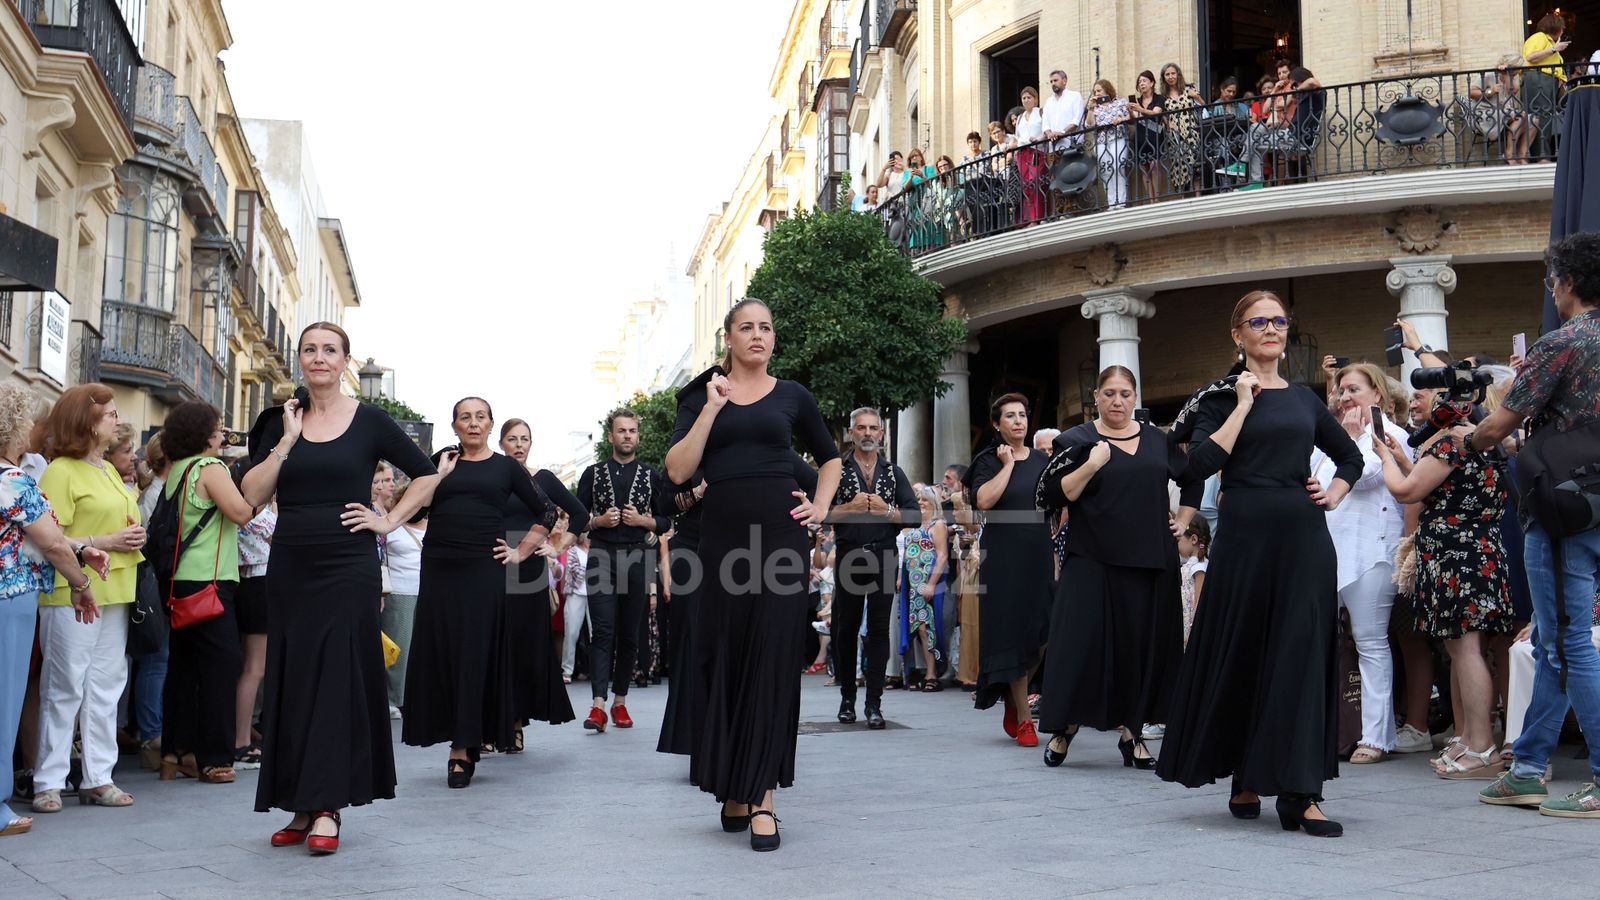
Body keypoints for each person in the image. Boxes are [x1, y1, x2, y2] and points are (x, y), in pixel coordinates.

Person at [1157, 290, 1362, 838]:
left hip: (1302, 535)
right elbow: (1196, 465)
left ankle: (1303, 792)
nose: (1271, 328)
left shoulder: (1303, 399)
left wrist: (1335, 493)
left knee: (1301, 652)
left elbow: (1351, 456)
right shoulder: (1220, 398)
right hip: (1245, 533)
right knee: (1245, 649)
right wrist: (1243, 404)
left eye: (1279, 320)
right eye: (1259, 321)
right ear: (1238, 335)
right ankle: (1245, 773)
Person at [242, 322, 441, 855]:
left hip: (348, 564)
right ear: (300, 360)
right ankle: (300, 803)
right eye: (310, 350)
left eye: (330, 350)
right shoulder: (279, 419)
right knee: (295, 677)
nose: (319, 358)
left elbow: (425, 475)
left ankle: (328, 804)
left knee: (335, 677)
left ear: (345, 361)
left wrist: (387, 520)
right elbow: (250, 496)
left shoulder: (370, 420)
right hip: (290, 565)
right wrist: (286, 441)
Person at [665, 297, 841, 852]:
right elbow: (676, 470)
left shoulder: (793, 395)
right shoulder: (702, 397)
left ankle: (762, 795)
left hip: (782, 545)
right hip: (720, 548)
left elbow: (829, 458)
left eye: (765, 327)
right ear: (729, 338)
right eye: (747, 327)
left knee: (770, 661)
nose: (758, 336)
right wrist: (714, 408)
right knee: (725, 659)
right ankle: (732, 788)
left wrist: (820, 508)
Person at [1474, 232, 1600, 817]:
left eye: (1553, 279)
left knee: (1569, 642)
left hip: (1563, 508)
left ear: (1569, 283)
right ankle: (1526, 768)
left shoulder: (1565, 340)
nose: (1552, 288)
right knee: (1554, 643)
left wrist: (1466, 438)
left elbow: (1498, 426)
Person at [1037, 366, 1196, 770]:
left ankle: (1133, 733)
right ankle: (1065, 727)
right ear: (1096, 396)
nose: (1117, 402)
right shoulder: (1075, 440)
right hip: (1091, 558)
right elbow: (1056, 494)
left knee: (1139, 648)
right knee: (1079, 645)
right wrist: (1092, 463)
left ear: (1135, 396)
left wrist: (1184, 516)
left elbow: (1193, 474)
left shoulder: (1158, 441)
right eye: (1109, 393)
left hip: (1149, 559)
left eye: (1125, 394)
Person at [402, 399, 552, 787]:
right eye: (465, 417)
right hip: (439, 568)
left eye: (480, 417)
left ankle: (462, 746)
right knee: (444, 652)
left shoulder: (505, 468)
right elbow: (416, 511)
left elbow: (546, 512)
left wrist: (520, 552)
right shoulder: (441, 461)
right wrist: (437, 475)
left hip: (483, 570)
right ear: (454, 425)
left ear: (490, 425)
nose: (473, 423)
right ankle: (461, 736)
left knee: (473, 652)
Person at [1373, 391, 1513, 779]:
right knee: (1472, 649)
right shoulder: (1492, 446)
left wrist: (1383, 457)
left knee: (1465, 649)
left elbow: (1406, 491)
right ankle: (1473, 741)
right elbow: (1447, 486)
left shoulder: (1451, 446)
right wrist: (1403, 459)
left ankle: (1481, 746)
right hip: (1483, 550)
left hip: (1454, 555)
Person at [31, 383, 147, 814]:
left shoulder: (109, 471)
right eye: (110, 413)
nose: (116, 419)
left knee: (105, 686)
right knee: (64, 685)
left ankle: (99, 776)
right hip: (71, 588)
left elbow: (119, 527)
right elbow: (46, 539)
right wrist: (109, 538)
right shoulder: (60, 470)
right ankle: (48, 779)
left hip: (116, 588)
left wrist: (131, 536)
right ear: (87, 420)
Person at [1, 384, 110, 837]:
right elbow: (48, 542)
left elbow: (52, 540)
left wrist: (81, 549)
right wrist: (81, 583)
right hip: (11, 598)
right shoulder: (14, 480)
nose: (31, 428)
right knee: (6, 701)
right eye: (25, 421)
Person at [1313, 363, 1411, 765]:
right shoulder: (1327, 440)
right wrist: (1344, 439)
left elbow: (1368, 477)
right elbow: (1314, 480)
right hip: (1328, 551)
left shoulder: (1392, 435)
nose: (1344, 397)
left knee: (1370, 643)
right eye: (1340, 391)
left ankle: (1376, 737)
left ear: (1378, 395)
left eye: (1353, 389)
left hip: (1371, 553)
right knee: (1323, 644)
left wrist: (1353, 439)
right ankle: (1329, 730)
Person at [156, 401, 256, 785]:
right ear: (205, 433)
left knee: (184, 667)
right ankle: (215, 757)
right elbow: (241, 513)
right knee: (220, 667)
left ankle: (174, 752)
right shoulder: (210, 468)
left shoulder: (177, 469)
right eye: (218, 426)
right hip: (210, 581)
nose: (222, 431)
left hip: (179, 581)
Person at [965, 392, 1053, 748]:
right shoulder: (989, 459)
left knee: (1045, 631)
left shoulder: (1042, 460)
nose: (1018, 421)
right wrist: (1008, 466)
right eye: (1010, 416)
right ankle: (1023, 715)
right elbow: (984, 501)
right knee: (1014, 635)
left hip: (1038, 552)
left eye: (1022, 414)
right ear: (997, 424)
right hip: (1003, 557)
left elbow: (1056, 505)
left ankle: (1014, 701)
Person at [575, 409, 671, 733]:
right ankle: (598, 705)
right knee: (602, 630)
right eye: (621, 431)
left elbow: (666, 521)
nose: (627, 435)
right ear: (611, 436)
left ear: (638, 436)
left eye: (632, 430)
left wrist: (643, 521)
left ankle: (620, 702)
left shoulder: (651, 475)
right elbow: (577, 519)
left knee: (630, 633)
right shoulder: (592, 473)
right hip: (601, 554)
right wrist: (597, 522)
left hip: (638, 559)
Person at [826, 407, 916, 729]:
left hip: (884, 555)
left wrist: (887, 510)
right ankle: (847, 699)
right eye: (861, 428)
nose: (867, 433)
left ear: (881, 433)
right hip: (850, 554)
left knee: (878, 630)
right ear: (852, 433)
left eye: (873, 428)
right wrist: (848, 509)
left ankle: (874, 704)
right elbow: (819, 512)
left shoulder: (893, 472)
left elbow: (915, 515)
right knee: (846, 629)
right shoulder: (837, 469)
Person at [498, 417, 585, 748]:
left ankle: (516, 722)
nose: (519, 444)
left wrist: (557, 547)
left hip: (530, 572)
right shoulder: (493, 477)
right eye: (512, 439)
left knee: (522, 647)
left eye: (525, 439)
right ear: (501, 443)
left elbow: (579, 513)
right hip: (496, 565)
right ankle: (494, 724)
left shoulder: (544, 479)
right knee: (496, 646)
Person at [235, 495, 275, 762]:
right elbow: (282, 541)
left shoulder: (242, 511)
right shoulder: (256, 515)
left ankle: (244, 731)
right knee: (255, 667)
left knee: (252, 666)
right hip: (260, 584)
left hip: (249, 584)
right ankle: (241, 741)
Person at [899, 486, 949, 689]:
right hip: (913, 584)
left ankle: (932, 674)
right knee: (918, 628)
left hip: (930, 582)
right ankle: (925, 671)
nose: (920, 502)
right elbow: (906, 554)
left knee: (928, 627)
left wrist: (931, 584)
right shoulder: (914, 524)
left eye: (925, 500)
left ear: (934, 503)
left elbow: (943, 555)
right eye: (918, 499)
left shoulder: (937, 525)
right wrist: (901, 577)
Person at [380, 482, 422, 718]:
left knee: (422, 648)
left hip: (428, 592)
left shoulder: (434, 524)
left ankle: (418, 695)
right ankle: (395, 698)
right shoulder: (392, 525)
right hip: (400, 593)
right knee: (401, 649)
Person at [1520, 14, 1569, 162]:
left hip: (1547, 82)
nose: (1563, 31)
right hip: (1538, 79)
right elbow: (1530, 57)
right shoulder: (1539, 37)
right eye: (1562, 28)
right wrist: (1554, 49)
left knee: (1545, 116)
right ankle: (1541, 155)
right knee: (1540, 115)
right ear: (1555, 27)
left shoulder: (1551, 43)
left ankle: (1543, 154)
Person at [1159, 63, 1205, 196]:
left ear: (1178, 74)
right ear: (1164, 78)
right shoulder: (1163, 96)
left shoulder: (1188, 90)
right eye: (1167, 74)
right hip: (1174, 135)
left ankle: (1197, 196)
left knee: (1195, 162)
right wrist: (1168, 124)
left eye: (1173, 73)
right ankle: (1183, 197)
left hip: (1191, 131)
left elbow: (1204, 106)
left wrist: (1196, 96)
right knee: (1179, 165)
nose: (1170, 77)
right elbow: (1162, 115)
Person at [1086, 79, 1131, 209]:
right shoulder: (1095, 107)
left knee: (1118, 167)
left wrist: (1121, 119)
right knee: (1106, 170)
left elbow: (1130, 116)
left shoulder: (1120, 102)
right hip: (1101, 141)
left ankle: (1121, 201)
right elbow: (1089, 124)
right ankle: (1112, 202)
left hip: (1118, 137)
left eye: (1099, 90)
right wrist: (1090, 108)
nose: (1097, 93)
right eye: (1095, 91)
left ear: (1107, 89)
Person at [1126, 71, 1165, 201]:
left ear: (1152, 83)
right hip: (1140, 136)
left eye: (1144, 81)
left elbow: (1156, 113)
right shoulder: (1137, 101)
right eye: (1139, 82)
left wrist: (1141, 110)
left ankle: (1157, 198)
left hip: (1155, 135)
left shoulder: (1159, 98)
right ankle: (1150, 199)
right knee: (1143, 168)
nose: (1141, 84)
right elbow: (1135, 119)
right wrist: (1131, 112)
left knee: (1154, 166)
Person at [1014, 86, 1047, 223]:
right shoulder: (1020, 117)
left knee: (1036, 182)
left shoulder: (1040, 112)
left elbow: (1047, 130)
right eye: (1024, 98)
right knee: (1026, 186)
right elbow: (1017, 137)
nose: (1026, 100)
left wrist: (1038, 138)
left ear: (1035, 99)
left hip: (1037, 151)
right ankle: (1031, 219)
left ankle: (1039, 217)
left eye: (1029, 97)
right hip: (1022, 154)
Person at [561, 536, 590, 682]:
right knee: (571, 633)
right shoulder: (573, 551)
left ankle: (596, 670)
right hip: (575, 594)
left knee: (596, 634)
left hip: (595, 595)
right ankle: (567, 671)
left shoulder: (597, 550)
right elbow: (571, 572)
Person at [1177, 518, 1210, 642]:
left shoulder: (1200, 568)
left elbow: (1199, 599)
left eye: (1179, 540)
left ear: (1193, 539)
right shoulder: (1190, 565)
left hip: (1190, 622)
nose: (1177, 544)